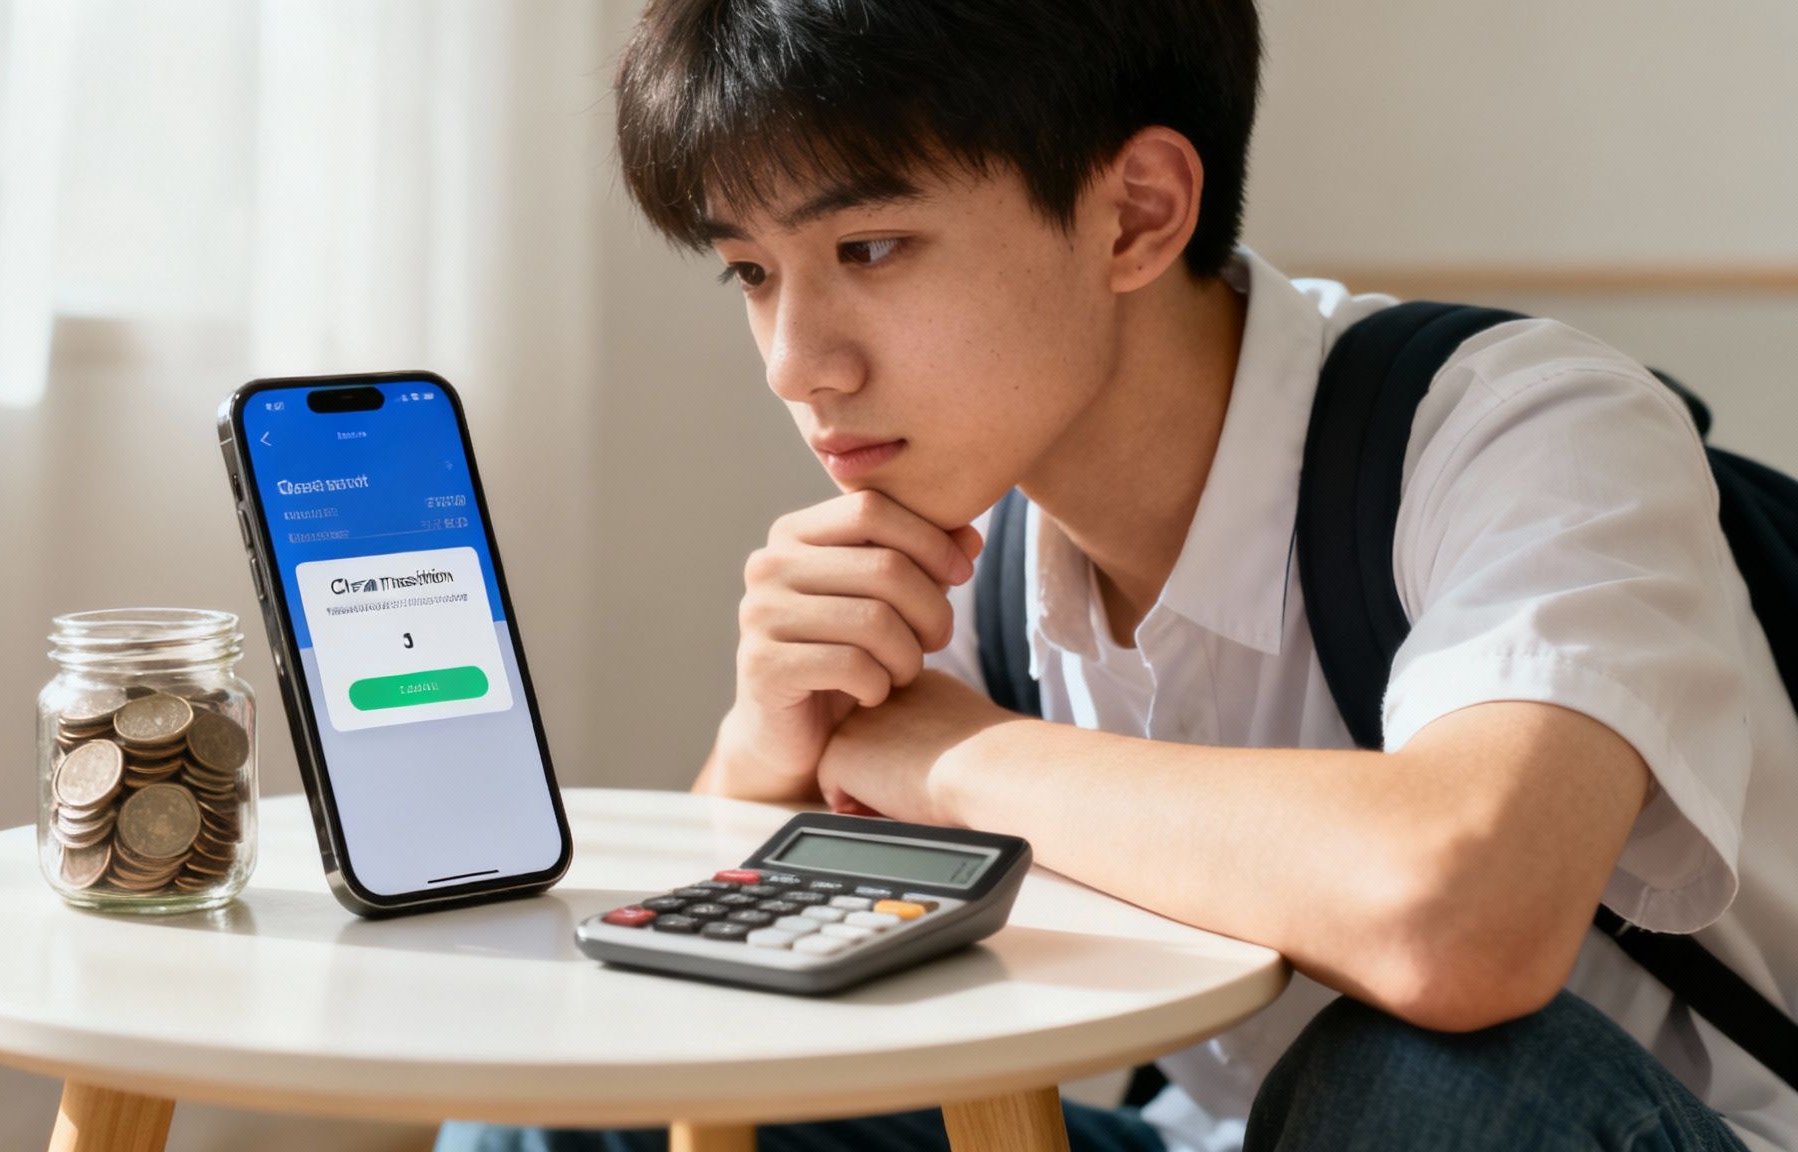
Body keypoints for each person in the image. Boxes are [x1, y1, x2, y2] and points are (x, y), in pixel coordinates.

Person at [437, 0, 1798, 1148]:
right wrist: (762, 754)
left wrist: (950, 760)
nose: (799, 363)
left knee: (1432, 1078)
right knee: (566, 1095)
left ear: (1137, 212)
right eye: (749, 271)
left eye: (868, 249)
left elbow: (1462, 922)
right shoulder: (950, 520)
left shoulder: (1525, 427)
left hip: (1632, 1122)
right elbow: (677, 1004)